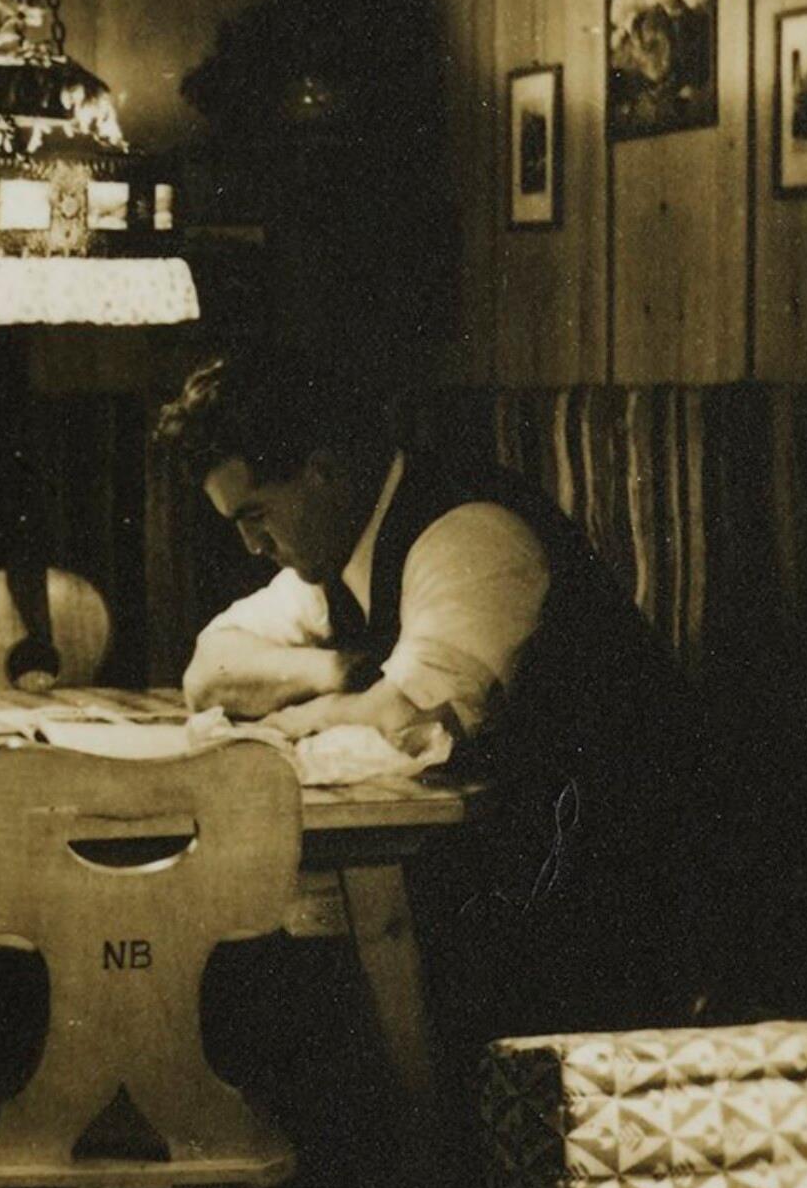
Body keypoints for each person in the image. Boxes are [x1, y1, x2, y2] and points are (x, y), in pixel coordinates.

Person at [155, 349, 732, 1046]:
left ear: (321, 472)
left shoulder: (469, 534)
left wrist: (298, 711)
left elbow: (406, 724)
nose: (251, 545)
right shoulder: (339, 553)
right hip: (497, 888)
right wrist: (339, 671)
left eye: (256, 514)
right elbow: (209, 673)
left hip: (624, 911)